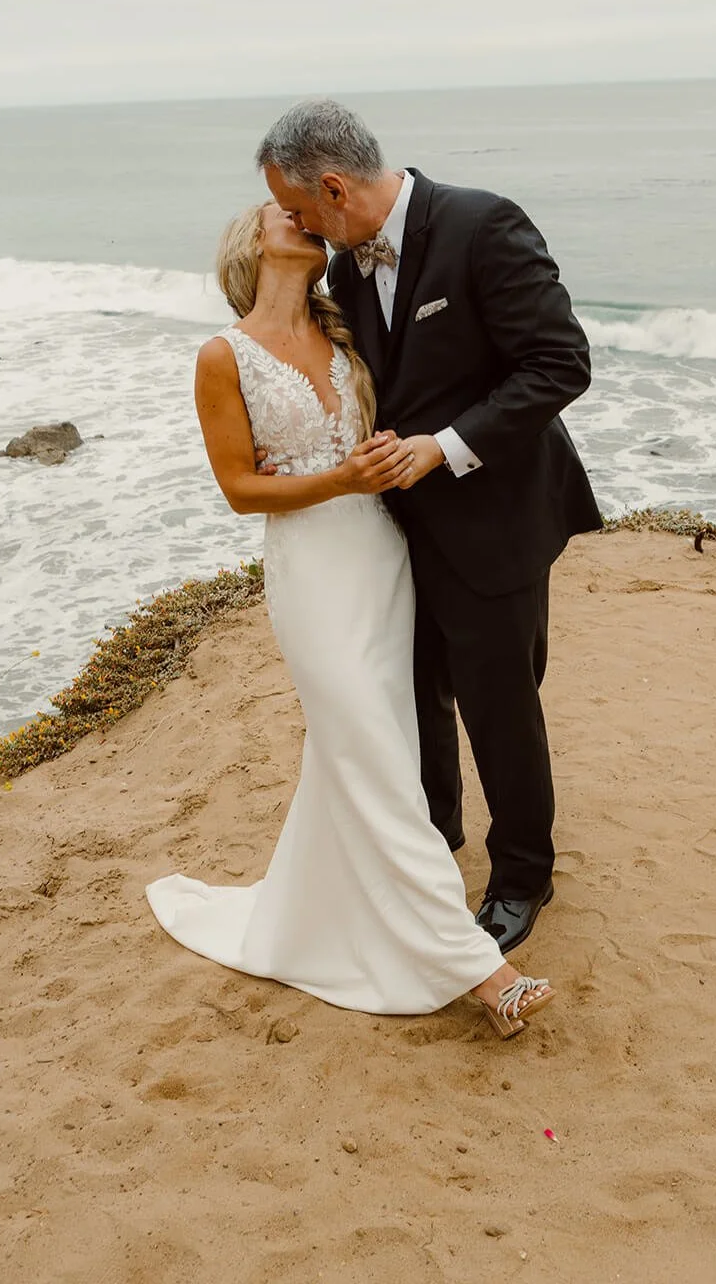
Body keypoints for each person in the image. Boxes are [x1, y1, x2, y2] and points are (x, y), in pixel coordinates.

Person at [146, 199, 553, 1038]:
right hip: (313, 571)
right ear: (251, 245)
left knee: (379, 745)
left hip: (383, 558)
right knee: (364, 743)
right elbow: (236, 490)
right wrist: (339, 481)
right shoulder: (222, 355)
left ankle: (362, 901)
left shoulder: (347, 336)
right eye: (279, 213)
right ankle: (485, 973)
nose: (300, 218)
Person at [256, 100, 602, 954]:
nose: (296, 224)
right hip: (393, 534)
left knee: (499, 705)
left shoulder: (484, 225)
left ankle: (522, 876)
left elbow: (559, 363)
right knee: (413, 696)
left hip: (496, 518)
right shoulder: (339, 272)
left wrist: (444, 449)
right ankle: (432, 842)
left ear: (334, 186)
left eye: (298, 209)